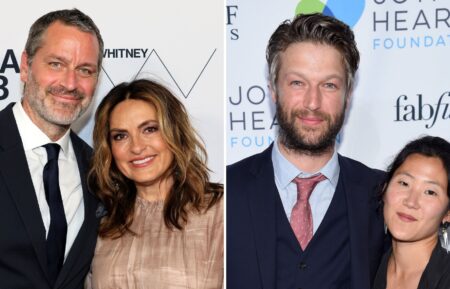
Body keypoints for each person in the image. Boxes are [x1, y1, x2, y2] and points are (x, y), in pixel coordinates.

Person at [227, 13, 386, 289]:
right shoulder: (226, 191)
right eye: (298, 83)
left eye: (329, 85)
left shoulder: (382, 195)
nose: (313, 102)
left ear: (348, 96)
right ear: (274, 90)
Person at [86, 79, 223, 289]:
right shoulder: (101, 221)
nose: (137, 147)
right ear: (109, 148)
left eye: (149, 129)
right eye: (121, 136)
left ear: (174, 133)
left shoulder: (219, 210)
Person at [0, 8, 103, 289]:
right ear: (25, 66)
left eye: (84, 70)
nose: (70, 84)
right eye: (56, 64)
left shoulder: (100, 170)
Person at [373, 136, 450, 289]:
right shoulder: (364, 271)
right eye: (404, 183)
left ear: (448, 213)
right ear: (384, 189)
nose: (411, 202)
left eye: (430, 192)